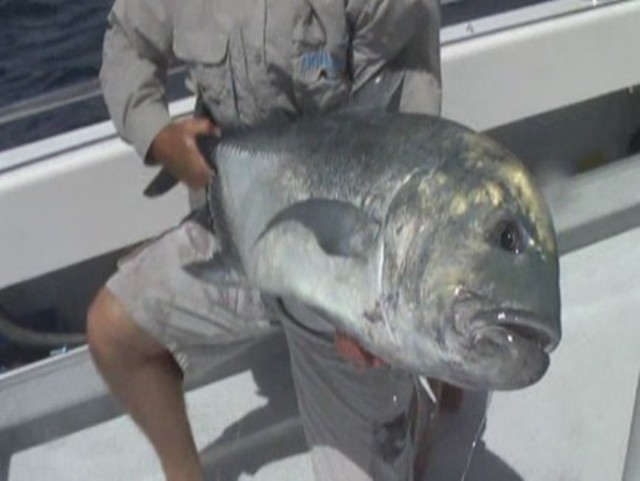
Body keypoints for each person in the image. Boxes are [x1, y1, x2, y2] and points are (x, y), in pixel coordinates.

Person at [87, 1, 442, 480]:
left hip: (343, 265)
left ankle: (418, 392)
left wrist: (365, 301)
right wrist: (157, 136)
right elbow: (127, 44)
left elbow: (405, 128)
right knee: (114, 333)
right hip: (236, 239)